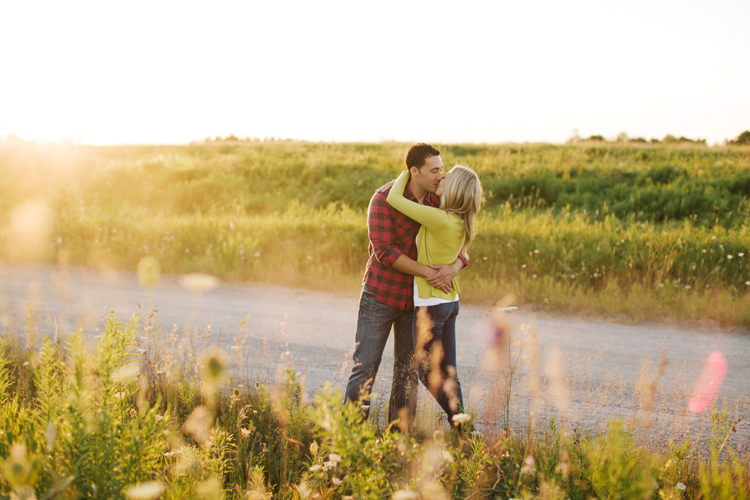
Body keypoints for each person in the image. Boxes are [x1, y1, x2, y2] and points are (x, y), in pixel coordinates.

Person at [343, 143, 468, 428]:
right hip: (381, 295)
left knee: (407, 371)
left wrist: (454, 266)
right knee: (365, 370)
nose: (440, 175)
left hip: (417, 303)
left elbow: (457, 240)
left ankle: (396, 440)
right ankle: (349, 437)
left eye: (442, 169)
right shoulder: (383, 199)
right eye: (433, 170)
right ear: (414, 171)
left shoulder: (440, 201)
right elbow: (384, 251)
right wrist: (427, 272)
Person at [385, 164, 482, 424]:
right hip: (450, 302)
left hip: (432, 305)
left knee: (428, 374)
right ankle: (464, 433)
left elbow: (393, 198)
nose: (440, 177)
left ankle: (463, 424)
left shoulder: (438, 218)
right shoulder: (459, 221)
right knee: (449, 372)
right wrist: (454, 266)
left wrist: (408, 171)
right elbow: (462, 256)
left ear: (455, 189)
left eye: (446, 177)